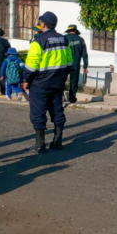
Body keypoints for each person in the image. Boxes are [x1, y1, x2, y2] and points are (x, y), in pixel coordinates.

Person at [23, 12, 73, 154]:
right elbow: (69, 61)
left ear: (43, 24)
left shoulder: (38, 41)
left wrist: (26, 79)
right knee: (57, 110)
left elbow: (32, 63)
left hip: (40, 83)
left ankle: (40, 145)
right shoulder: (64, 39)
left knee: (38, 112)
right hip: (58, 82)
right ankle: (58, 141)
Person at [64, 25, 89, 104]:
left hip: (64, 65)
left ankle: (60, 97)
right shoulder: (81, 40)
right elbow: (84, 54)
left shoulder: (63, 38)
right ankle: (72, 98)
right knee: (73, 83)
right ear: (75, 31)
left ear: (68, 31)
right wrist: (85, 66)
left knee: (61, 81)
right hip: (75, 65)